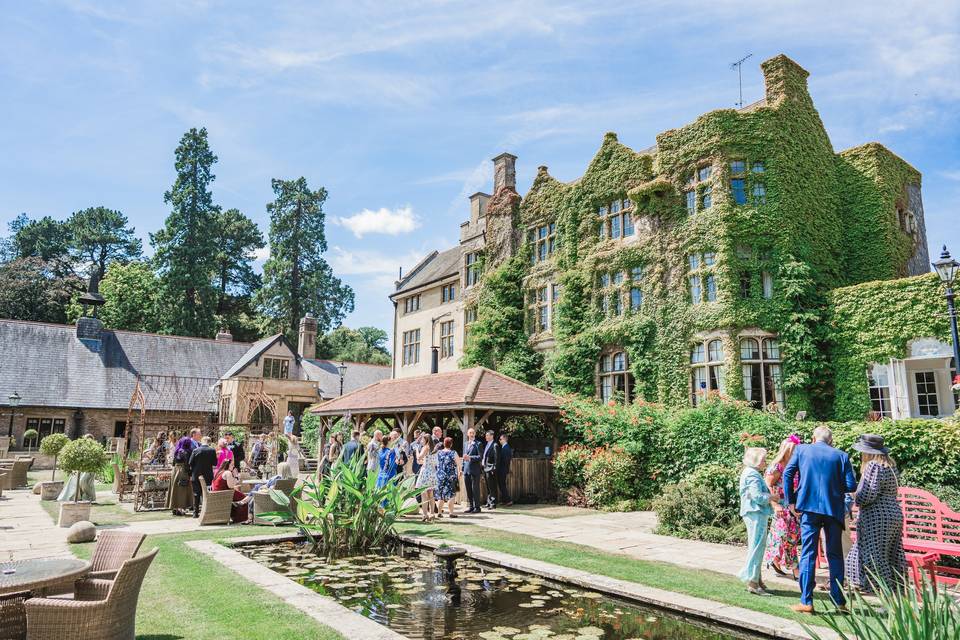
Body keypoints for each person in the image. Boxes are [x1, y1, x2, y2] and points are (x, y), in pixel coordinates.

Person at [783, 425, 857, 614]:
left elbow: (787, 473)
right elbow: (850, 485)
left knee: (808, 553)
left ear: (813, 438)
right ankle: (839, 602)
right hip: (833, 509)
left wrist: (791, 501)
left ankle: (806, 601)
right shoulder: (841, 456)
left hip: (808, 508)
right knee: (835, 555)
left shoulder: (801, 450)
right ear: (830, 441)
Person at [845, 434, 906, 594]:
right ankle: (894, 591)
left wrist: (854, 495)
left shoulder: (873, 466)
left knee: (876, 556)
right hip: (893, 514)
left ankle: (884, 593)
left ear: (868, 452)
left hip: (877, 517)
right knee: (890, 555)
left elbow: (867, 495)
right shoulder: (890, 465)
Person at [738, 447, 774, 595]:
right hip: (755, 513)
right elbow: (757, 497)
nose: (765, 463)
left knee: (757, 545)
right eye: (763, 460)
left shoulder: (749, 472)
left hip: (753, 513)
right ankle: (753, 582)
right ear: (756, 461)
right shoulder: (752, 474)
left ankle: (757, 579)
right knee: (757, 547)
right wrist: (772, 497)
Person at [765, 435, 802, 580]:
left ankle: (776, 558)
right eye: (793, 450)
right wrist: (774, 504)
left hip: (794, 505)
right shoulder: (778, 466)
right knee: (783, 535)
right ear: (786, 450)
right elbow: (767, 485)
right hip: (781, 506)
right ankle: (794, 567)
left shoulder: (797, 465)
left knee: (791, 536)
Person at [168, 428, 201, 515]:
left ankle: (175, 508)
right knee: (182, 490)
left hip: (175, 471)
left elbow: (173, 463)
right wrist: (190, 474)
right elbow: (187, 464)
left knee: (175, 489)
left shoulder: (177, 451)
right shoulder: (186, 452)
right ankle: (180, 509)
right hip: (183, 472)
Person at [211, 458, 249, 524]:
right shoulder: (227, 472)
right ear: (227, 465)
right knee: (245, 499)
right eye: (232, 465)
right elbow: (230, 486)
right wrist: (236, 476)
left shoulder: (220, 472)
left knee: (240, 498)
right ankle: (240, 519)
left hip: (218, 493)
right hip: (225, 494)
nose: (233, 466)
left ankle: (235, 516)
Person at [188, 436, 218, 518]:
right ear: (209, 442)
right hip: (208, 475)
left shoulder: (195, 450)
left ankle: (195, 512)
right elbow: (215, 463)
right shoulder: (212, 450)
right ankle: (207, 511)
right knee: (207, 493)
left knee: (196, 493)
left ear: (202, 441)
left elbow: (190, 462)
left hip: (196, 475)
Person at [435, 437, 461, 518]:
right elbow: (459, 464)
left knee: (440, 494)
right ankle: (451, 512)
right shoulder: (453, 453)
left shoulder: (439, 452)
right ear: (451, 444)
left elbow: (435, 464)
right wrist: (459, 473)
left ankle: (439, 512)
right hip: (451, 476)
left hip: (440, 476)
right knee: (451, 494)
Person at [415, 434, 438, 522]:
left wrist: (417, 449)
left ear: (426, 440)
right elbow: (431, 461)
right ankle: (432, 513)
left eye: (422, 439)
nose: (421, 441)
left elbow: (419, 457)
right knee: (431, 494)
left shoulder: (425, 447)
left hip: (425, 472)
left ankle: (425, 515)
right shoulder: (434, 449)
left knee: (423, 494)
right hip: (432, 472)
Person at [462, 427, 483, 514]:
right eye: (470, 433)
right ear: (467, 434)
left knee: (475, 489)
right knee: (468, 489)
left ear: (475, 434)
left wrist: (470, 457)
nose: (471, 434)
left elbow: (480, 457)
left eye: (473, 433)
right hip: (466, 470)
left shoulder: (478, 444)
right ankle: (471, 506)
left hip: (475, 470)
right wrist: (462, 469)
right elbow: (464, 457)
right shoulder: (465, 443)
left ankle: (477, 507)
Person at [481, 430, 499, 509]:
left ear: (492, 436)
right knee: (488, 486)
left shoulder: (495, 445)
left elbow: (497, 458)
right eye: (486, 435)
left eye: (488, 435)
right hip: (485, 468)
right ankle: (489, 502)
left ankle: (493, 503)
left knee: (492, 486)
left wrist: (493, 469)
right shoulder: (487, 444)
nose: (486, 437)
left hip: (491, 469)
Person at [497, 433, 513, 507]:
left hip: (502, 469)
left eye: (500, 439)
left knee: (502, 485)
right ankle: (504, 500)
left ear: (504, 439)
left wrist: (504, 469)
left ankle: (508, 500)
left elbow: (506, 460)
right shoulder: (504, 447)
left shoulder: (506, 448)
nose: (499, 441)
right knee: (501, 485)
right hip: (503, 469)